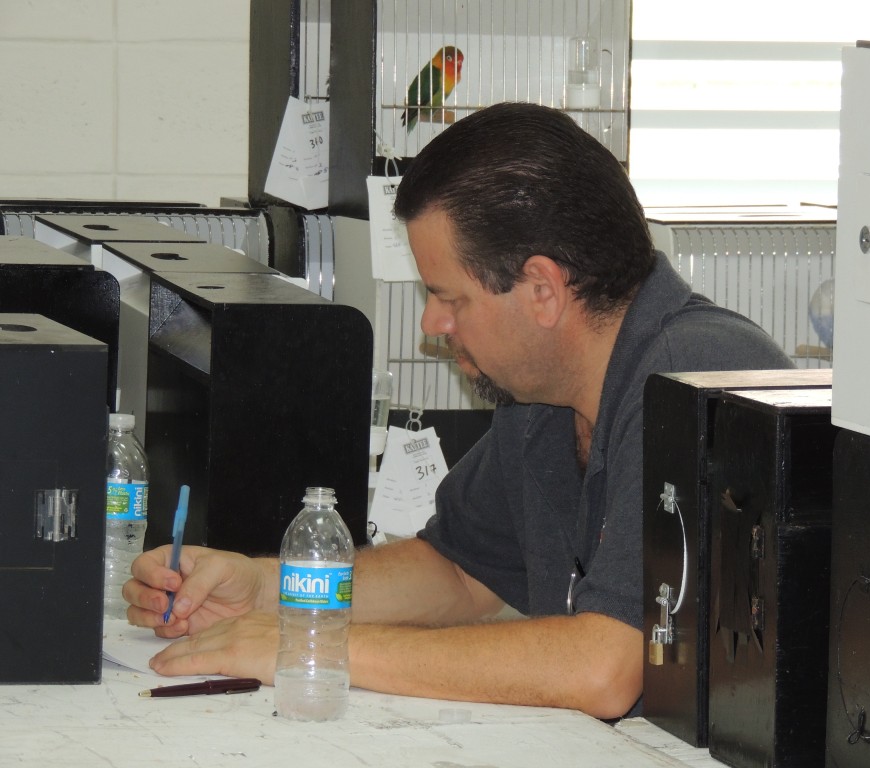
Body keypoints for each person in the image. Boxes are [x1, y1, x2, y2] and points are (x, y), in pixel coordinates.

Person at [124, 102, 794, 720]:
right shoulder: (542, 396)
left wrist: (306, 647)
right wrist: (272, 590)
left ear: (542, 290)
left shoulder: (700, 377)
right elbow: (458, 572)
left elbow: (606, 668)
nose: (432, 323)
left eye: (450, 297)